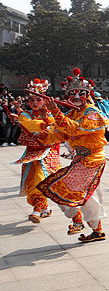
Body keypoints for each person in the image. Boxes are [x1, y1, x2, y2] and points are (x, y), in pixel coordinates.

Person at [35, 68, 109, 242]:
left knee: (84, 195)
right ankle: (90, 226)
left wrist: (55, 112)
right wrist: (42, 135)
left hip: (92, 159)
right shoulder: (72, 113)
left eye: (81, 93)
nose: (77, 97)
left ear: (87, 95)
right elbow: (60, 134)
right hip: (80, 160)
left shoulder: (91, 112)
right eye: (72, 93)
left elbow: (74, 128)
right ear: (67, 97)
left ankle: (91, 226)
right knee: (60, 189)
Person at [12, 79, 62, 223]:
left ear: (44, 100)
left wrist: (44, 120)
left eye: (38, 99)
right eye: (31, 99)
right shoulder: (26, 114)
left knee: (41, 178)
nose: (34, 103)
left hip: (47, 151)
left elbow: (55, 128)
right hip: (31, 152)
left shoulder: (51, 113)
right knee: (33, 179)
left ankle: (37, 210)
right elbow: (26, 124)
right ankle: (45, 208)